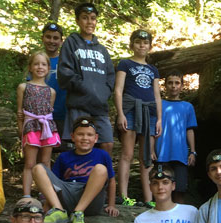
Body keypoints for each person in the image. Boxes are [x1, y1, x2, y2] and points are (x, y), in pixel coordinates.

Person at [32, 117, 118, 223]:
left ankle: (78, 213)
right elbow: (53, 184)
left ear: (96, 138)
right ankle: (59, 210)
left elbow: (111, 181)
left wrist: (111, 205)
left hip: (91, 199)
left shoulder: (102, 155)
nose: (85, 138)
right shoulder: (63, 157)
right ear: (72, 137)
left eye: (89, 135)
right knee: (38, 168)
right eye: (80, 134)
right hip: (67, 195)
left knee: (101, 169)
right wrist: (48, 205)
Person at [57, 3, 115, 155]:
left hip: (99, 105)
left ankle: (104, 177)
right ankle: (81, 177)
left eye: (93, 18)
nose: (89, 22)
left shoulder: (102, 49)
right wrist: (85, 87)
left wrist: (104, 92)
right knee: (81, 145)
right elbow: (65, 72)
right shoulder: (71, 42)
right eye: (85, 18)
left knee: (107, 142)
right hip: (79, 103)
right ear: (77, 21)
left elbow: (110, 75)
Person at [114, 29, 162, 207]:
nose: (142, 45)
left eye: (145, 43)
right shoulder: (125, 64)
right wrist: (120, 114)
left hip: (149, 111)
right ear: (132, 44)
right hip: (131, 109)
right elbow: (118, 89)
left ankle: (149, 199)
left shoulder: (153, 69)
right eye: (138, 42)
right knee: (127, 154)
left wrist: (159, 119)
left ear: (150, 46)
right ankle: (124, 196)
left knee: (146, 157)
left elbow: (157, 95)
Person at [17, 51, 61, 197]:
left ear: (48, 68)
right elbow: (20, 112)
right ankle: (27, 195)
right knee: (30, 163)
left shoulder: (51, 91)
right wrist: (20, 130)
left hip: (47, 128)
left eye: (43, 64)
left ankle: (46, 194)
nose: (40, 67)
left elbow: (49, 112)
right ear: (30, 67)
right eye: (36, 64)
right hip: (30, 127)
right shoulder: (23, 87)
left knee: (46, 162)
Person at [154, 70, 197, 203]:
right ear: (164, 86)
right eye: (170, 83)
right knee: (161, 190)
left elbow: (189, 130)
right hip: (161, 154)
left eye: (177, 83)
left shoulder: (187, 107)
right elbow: (152, 128)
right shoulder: (159, 104)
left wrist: (193, 152)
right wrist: (151, 150)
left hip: (180, 155)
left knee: (180, 190)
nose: (173, 86)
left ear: (182, 86)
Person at [39, 23, 68, 139]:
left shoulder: (66, 61)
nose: (51, 41)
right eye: (48, 37)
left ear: (61, 41)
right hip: (40, 116)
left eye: (55, 38)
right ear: (42, 38)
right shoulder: (37, 60)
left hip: (63, 114)